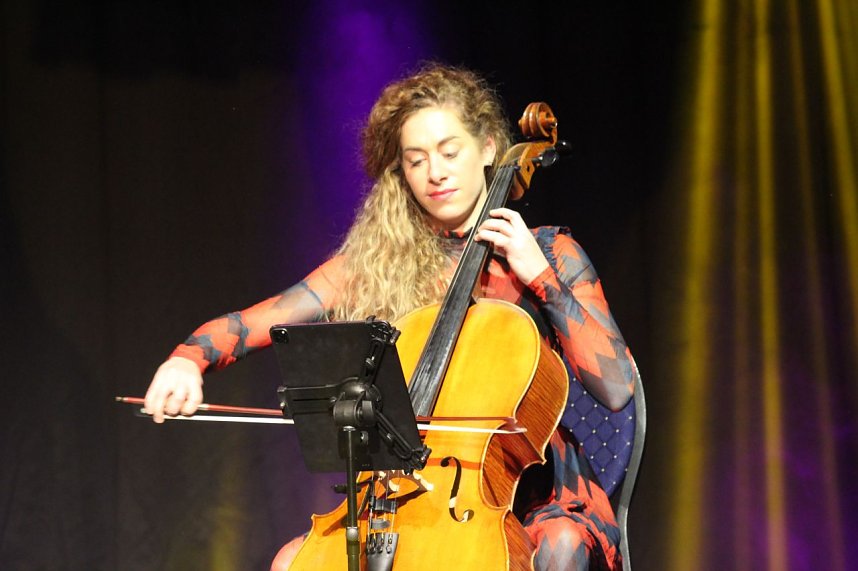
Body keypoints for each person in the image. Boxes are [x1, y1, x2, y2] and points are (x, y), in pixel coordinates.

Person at [144, 63, 636, 571]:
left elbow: (618, 388)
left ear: (489, 148)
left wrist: (540, 278)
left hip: (536, 492)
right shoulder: (379, 261)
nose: (435, 173)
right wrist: (189, 359)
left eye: (449, 152)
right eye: (416, 160)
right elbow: (253, 323)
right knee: (295, 561)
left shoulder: (550, 252)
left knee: (558, 547)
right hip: (410, 496)